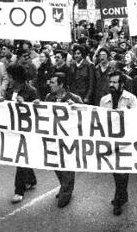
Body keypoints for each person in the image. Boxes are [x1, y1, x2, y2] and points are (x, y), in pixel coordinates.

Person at [99, 71, 137, 216]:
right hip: (110, 140)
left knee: (122, 170)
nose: (112, 85)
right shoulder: (104, 100)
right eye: (110, 82)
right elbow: (100, 120)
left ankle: (118, 199)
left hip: (125, 140)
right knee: (116, 170)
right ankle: (123, 194)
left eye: (115, 82)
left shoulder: (131, 99)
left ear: (122, 84)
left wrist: (125, 113)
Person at [44, 72, 84, 208]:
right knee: (56, 164)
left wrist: (76, 107)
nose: (50, 85)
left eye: (53, 82)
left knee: (67, 165)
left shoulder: (74, 98)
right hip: (54, 137)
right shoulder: (49, 97)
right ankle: (64, 187)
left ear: (61, 84)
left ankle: (66, 192)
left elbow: (86, 115)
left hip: (69, 139)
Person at [5, 64, 40, 203]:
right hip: (13, 128)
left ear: (15, 77)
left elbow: (38, 110)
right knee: (21, 157)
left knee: (20, 158)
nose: (7, 78)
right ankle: (31, 179)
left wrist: (25, 103)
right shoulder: (10, 89)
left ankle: (19, 191)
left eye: (9, 76)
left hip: (26, 130)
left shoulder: (31, 90)